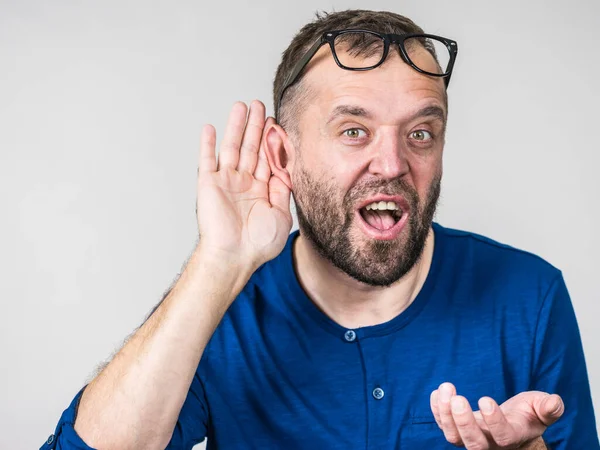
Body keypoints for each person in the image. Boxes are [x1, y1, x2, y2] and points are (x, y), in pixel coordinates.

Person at [40, 9, 598, 450]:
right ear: (284, 155)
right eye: (354, 130)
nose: (392, 163)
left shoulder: (531, 297)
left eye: (421, 133)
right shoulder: (225, 306)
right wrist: (220, 262)